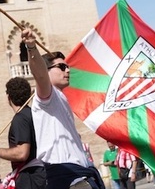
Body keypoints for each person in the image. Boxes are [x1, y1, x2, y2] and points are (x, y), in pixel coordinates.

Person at [22, 28, 104, 189]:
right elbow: (39, 75)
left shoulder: (61, 97)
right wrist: (31, 48)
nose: (67, 70)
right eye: (61, 67)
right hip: (68, 178)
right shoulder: (47, 96)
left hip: (81, 175)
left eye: (67, 66)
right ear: (48, 71)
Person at [0, 77, 46, 189]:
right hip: (39, 175)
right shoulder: (33, 114)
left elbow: (22, 153)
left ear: (8, 97)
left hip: (30, 178)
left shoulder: (20, 118)